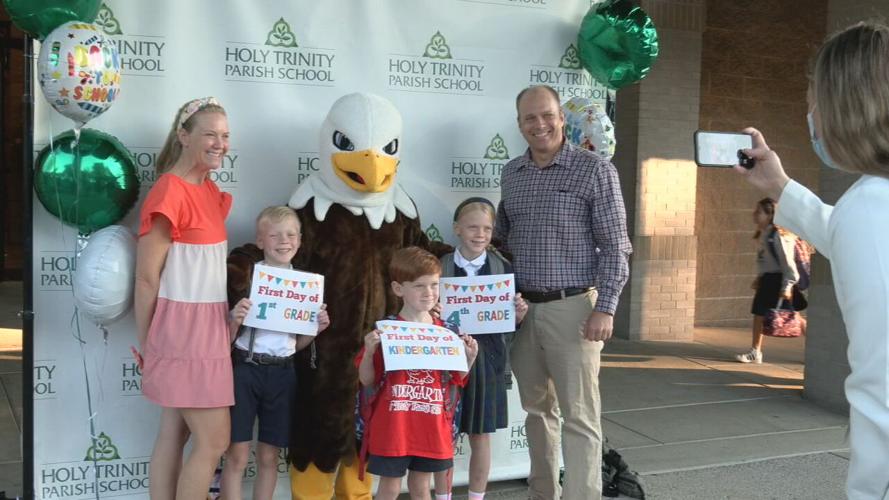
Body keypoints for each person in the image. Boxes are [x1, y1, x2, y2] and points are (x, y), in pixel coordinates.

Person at [734, 21, 889, 500]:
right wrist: (779, 186)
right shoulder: (868, 207)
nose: (811, 114)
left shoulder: (870, 205)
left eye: (814, 100)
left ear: (846, 108)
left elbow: (881, 386)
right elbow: (844, 231)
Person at [494, 85, 632, 500]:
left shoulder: (595, 170)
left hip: (575, 309)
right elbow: (502, 241)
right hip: (523, 312)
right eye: (529, 118)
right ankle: (543, 495)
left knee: (580, 418)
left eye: (547, 115)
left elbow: (616, 246)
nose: (540, 125)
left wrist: (605, 308)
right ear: (519, 125)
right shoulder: (511, 174)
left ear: (561, 117)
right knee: (537, 414)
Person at [133, 97, 233, 500]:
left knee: (174, 432)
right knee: (214, 441)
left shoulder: (209, 190)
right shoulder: (169, 191)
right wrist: (150, 345)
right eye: (210, 134)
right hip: (182, 334)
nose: (220, 143)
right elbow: (145, 278)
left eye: (225, 136)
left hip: (207, 329)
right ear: (183, 136)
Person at [220, 206, 331, 500]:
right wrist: (234, 320)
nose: (284, 241)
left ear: (300, 239)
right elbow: (225, 341)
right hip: (245, 369)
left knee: (269, 456)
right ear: (260, 241)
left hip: (283, 373)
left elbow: (298, 346)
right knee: (237, 455)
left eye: (291, 234)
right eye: (275, 235)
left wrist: (315, 330)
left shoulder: (307, 286)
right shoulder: (247, 279)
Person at [356, 246, 479, 500]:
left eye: (434, 285)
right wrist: (369, 353)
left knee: (421, 487)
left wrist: (469, 358)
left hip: (431, 424)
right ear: (399, 289)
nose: (429, 292)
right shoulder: (387, 331)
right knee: (389, 487)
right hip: (393, 426)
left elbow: (456, 380)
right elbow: (367, 380)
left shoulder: (446, 332)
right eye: (419, 286)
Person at [431, 198, 528, 500]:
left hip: (488, 361)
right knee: (441, 432)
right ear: (457, 229)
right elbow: (423, 312)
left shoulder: (504, 267)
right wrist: (430, 313)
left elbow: (510, 322)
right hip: (446, 360)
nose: (480, 234)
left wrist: (519, 315)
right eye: (473, 227)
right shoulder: (439, 268)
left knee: (480, 435)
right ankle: (444, 496)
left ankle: (477, 496)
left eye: (487, 228)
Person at [736, 198, 807, 364]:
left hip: (779, 281)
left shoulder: (778, 236)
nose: (754, 215)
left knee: (788, 316)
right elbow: (766, 260)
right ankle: (755, 351)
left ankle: (755, 352)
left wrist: (787, 286)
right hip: (769, 280)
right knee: (760, 314)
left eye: (758, 212)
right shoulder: (766, 233)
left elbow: (788, 264)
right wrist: (760, 278)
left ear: (770, 215)